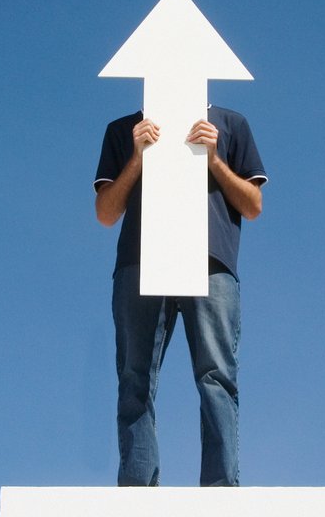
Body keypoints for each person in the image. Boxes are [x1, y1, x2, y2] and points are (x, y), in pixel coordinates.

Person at [93, 107, 267, 486]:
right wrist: (138, 158)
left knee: (216, 376)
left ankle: (221, 489)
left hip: (211, 261)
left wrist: (215, 161)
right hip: (139, 262)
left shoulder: (231, 124)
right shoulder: (123, 128)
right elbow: (106, 213)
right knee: (134, 377)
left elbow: (253, 206)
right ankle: (138, 488)